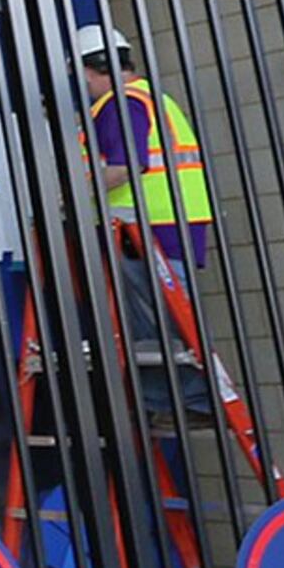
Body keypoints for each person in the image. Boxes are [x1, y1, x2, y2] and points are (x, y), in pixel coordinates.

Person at [75, 24, 224, 421]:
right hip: (169, 219)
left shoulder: (120, 102)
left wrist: (72, 191)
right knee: (155, 319)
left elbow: (126, 165)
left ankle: (194, 398)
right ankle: (167, 400)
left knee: (164, 316)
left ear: (89, 71)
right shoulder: (148, 96)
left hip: (148, 225)